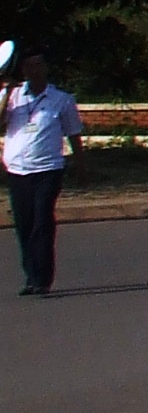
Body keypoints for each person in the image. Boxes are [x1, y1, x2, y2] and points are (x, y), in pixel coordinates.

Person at [2, 44, 87, 298]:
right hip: (18, 171)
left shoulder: (61, 100)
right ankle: (30, 277)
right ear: (23, 70)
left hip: (48, 169)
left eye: (39, 64)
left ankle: (42, 278)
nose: (34, 70)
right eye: (29, 66)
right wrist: (6, 92)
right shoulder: (14, 98)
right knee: (24, 224)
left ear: (46, 68)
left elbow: (74, 134)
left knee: (42, 222)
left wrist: (81, 165)